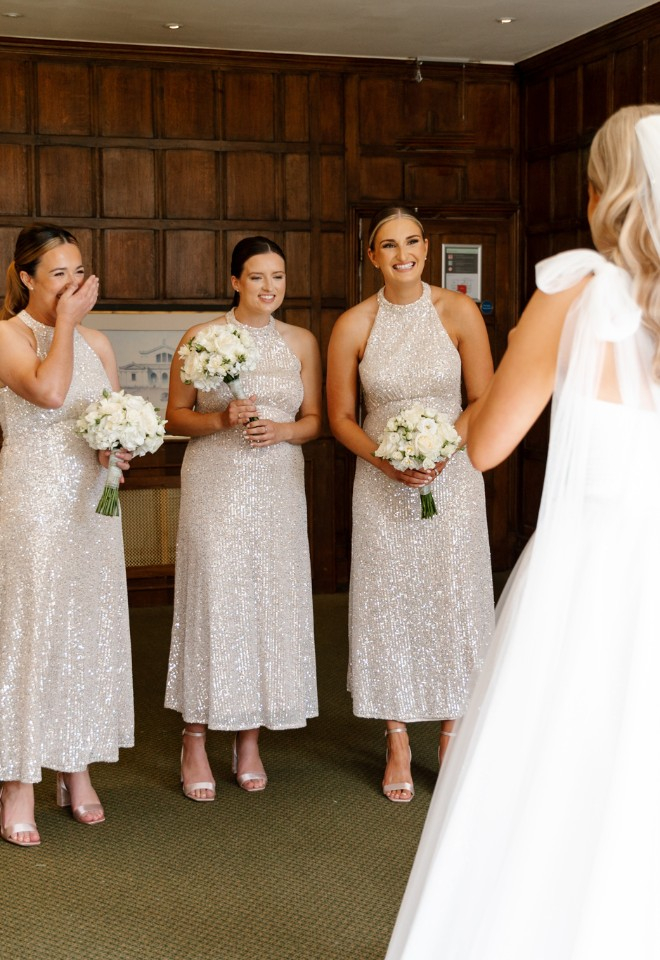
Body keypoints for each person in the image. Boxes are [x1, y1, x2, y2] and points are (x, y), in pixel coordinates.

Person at [385, 104, 660, 958]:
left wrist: (504, 368)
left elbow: (491, 445)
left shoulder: (576, 288)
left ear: (598, 192)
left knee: (559, 767)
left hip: (591, 571)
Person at [326, 206, 495, 802]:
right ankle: (397, 736)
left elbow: (483, 396)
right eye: (389, 245)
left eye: (413, 242)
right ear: (371, 256)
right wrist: (385, 461)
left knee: (454, 595)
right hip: (381, 481)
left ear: (427, 247)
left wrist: (445, 448)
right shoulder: (353, 324)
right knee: (388, 602)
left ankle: (452, 730)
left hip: (452, 479)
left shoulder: (459, 312)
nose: (404, 254)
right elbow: (341, 418)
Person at [164, 236, 321, 799]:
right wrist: (221, 420)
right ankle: (195, 737)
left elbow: (315, 420)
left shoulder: (301, 341)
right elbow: (176, 417)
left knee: (266, 600)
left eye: (277, 276)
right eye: (257, 277)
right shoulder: (200, 338)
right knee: (214, 598)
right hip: (215, 480)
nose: (269, 287)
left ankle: (249, 739)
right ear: (235, 281)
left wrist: (282, 431)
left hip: (278, 486)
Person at [0, 223, 133, 847]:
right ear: (26, 278)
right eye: (59, 274)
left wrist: (119, 450)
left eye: (80, 273)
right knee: (35, 632)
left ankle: (75, 765)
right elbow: (50, 393)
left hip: (91, 506)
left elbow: (109, 419)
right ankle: (18, 781)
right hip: (33, 506)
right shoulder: (6, 335)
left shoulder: (99, 342)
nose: (74, 285)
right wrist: (68, 326)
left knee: (85, 632)